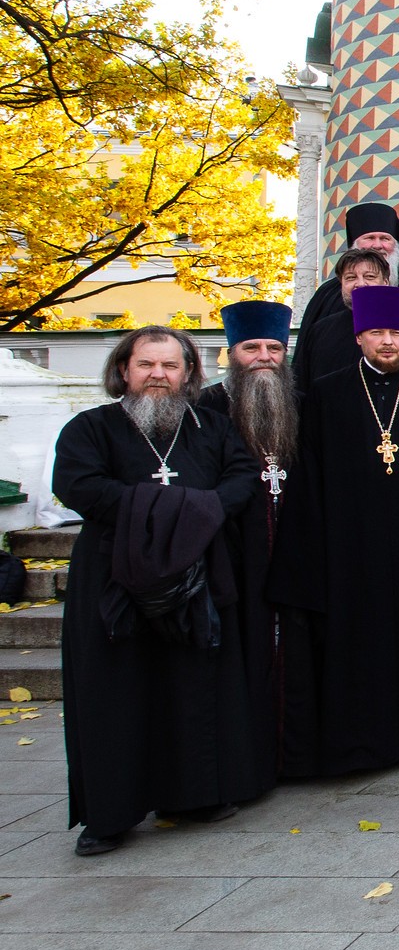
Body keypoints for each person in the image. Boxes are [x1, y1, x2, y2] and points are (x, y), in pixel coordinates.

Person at [55, 327, 265, 855]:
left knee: (193, 687)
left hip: (195, 578)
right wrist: (171, 509)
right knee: (114, 694)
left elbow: (241, 480)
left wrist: (187, 514)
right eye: (146, 365)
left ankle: (194, 794)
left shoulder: (212, 428)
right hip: (113, 579)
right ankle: (110, 814)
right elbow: (78, 485)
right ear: (123, 369)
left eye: (171, 367)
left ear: (189, 374)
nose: (158, 377)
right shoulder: (92, 428)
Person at [274, 285, 399, 775]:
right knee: (359, 645)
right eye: (378, 333)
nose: (388, 342)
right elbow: (311, 480)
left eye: (397, 333)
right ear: (359, 338)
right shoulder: (327, 393)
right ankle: (361, 745)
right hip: (351, 547)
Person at [196, 300, 296, 791]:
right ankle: (240, 765)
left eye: (274, 348)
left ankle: (292, 757)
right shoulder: (207, 408)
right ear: (231, 354)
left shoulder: (302, 404)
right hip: (235, 551)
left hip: (295, 544)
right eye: (251, 347)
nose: (263, 357)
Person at [294, 200, 399, 341]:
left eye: (385, 238)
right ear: (355, 244)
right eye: (369, 238)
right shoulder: (327, 294)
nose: (377, 245)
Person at [293, 246, 393, 394]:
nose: (360, 284)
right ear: (341, 284)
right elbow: (303, 384)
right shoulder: (320, 331)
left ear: (385, 282)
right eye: (351, 278)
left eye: (370, 277)